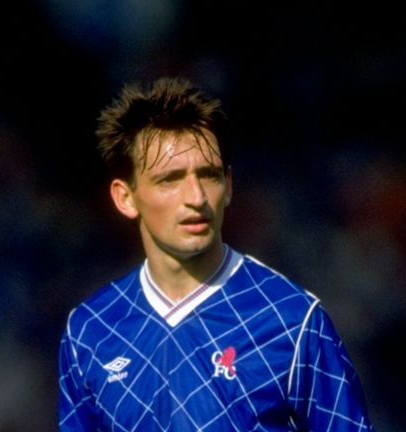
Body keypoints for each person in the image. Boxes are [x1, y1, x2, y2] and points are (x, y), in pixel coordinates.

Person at [58, 77, 374, 431]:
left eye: (208, 175)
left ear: (228, 186)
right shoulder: (90, 330)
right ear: (125, 197)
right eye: (170, 179)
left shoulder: (292, 320)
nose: (196, 196)